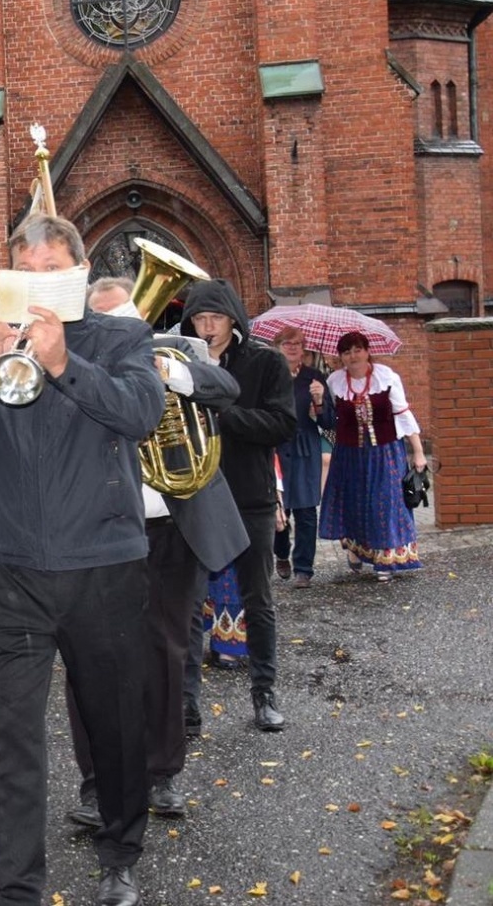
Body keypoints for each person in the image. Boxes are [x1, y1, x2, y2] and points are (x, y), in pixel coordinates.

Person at [0, 216, 164, 906]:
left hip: (105, 566)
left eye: (53, 266)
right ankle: (16, 888)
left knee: (114, 722)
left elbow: (142, 410)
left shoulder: (122, 336)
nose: (40, 279)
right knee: (14, 738)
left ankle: (119, 848)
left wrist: (62, 363)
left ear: (79, 272)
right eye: (26, 271)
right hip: (16, 571)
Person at [64, 276, 247, 829]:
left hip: (166, 527)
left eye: (127, 319)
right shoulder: (71, 365)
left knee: (166, 652)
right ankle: (97, 783)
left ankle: (162, 772)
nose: (118, 331)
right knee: (87, 660)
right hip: (93, 531)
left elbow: (225, 388)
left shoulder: (168, 350)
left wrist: (170, 372)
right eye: (107, 321)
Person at [180, 280, 295, 732]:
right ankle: (187, 702)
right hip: (195, 495)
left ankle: (264, 692)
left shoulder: (264, 362)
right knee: (188, 605)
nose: (207, 328)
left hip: (249, 495)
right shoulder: (178, 362)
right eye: (199, 320)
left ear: (234, 320)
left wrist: (223, 416)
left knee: (258, 599)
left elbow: (283, 423)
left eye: (216, 319)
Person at [315, 330, 428, 581]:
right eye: (346, 351)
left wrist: (419, 452)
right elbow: (330, 421)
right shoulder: (334, 381)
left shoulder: (386, 376)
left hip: (385, 451)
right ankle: (356, 549)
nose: (352, 356)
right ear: (340, 356)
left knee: (385, 501)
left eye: (357, 349)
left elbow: (402, 413)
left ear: (367, 351)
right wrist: (319, 401)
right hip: (349, 455)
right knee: (354, 501)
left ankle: (386, 559)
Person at [272, 327, 333, 587]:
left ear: (304, 348)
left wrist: (320, 401)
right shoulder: (269, 377)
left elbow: (329, 422)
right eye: (287, 343)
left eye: (298, 343)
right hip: (276, 448)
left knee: (307, 512)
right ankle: (282, 553)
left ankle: (304, 569)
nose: (293, 347)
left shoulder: (314, 378)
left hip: (305, 449)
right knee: (279, 510)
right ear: (277, 347)